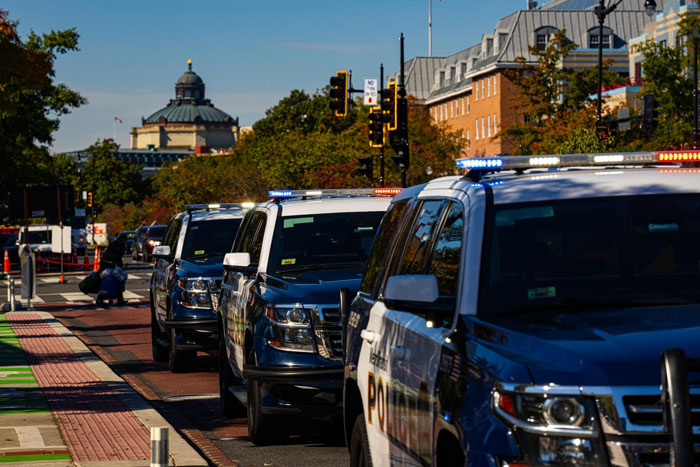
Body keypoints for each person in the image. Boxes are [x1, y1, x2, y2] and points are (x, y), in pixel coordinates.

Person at [98, 234, 127, 306]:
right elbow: (117, 256)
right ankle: (119, 299)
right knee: (117, 281)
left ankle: (100, 299)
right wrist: (120, 266)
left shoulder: (113, 243)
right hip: (111, 265)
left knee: (105, 282)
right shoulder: (120, 245)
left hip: (105, 264)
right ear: (123, 239)